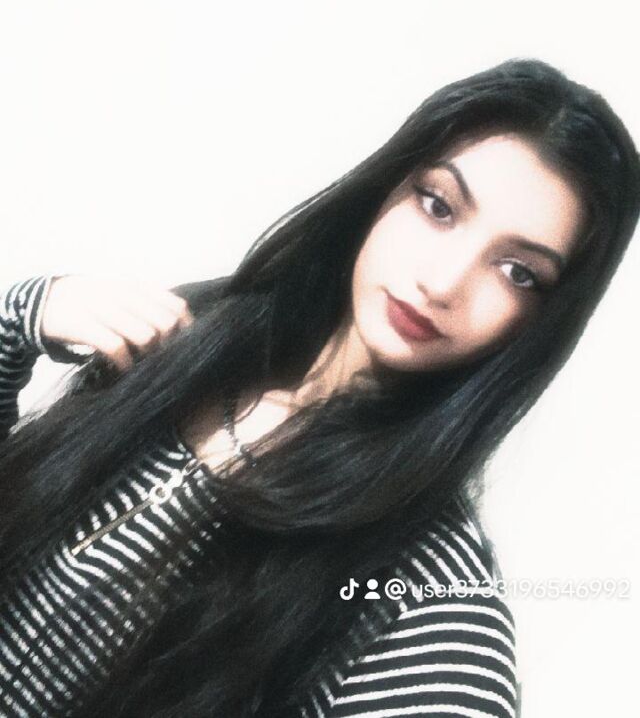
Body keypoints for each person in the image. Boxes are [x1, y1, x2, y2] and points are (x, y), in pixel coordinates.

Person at [0, 58, 638, 718]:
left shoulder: (427, 588)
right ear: (385, 191)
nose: (444, 281)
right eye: (438, 206)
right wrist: (18, 320)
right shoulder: (190, 339)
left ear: (541, 322)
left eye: (516, 271)